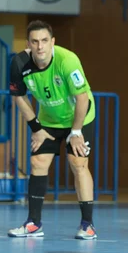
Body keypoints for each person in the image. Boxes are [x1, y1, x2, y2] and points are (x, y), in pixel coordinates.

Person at [8, 20, 97, 240]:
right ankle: (33, 223)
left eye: (45, 41)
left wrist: (76, 132)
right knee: (37, 162)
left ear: (52, 42)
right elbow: (19, 97)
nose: (40, 47)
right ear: (28, 43)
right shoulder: (19, 63)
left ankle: (87, 225)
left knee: (78, 163)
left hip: (80, 117)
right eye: (35, 42)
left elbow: (82, 98)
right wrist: (36, 128)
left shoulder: (68, 61)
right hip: (48, 120)